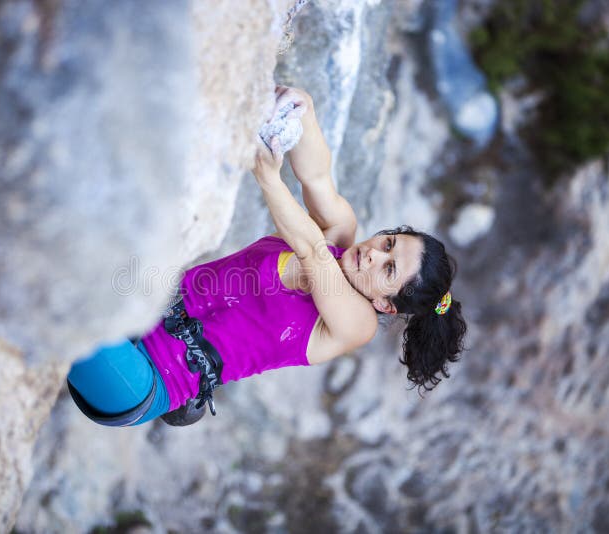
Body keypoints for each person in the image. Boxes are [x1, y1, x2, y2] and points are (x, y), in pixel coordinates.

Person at [67, 86, 467, 427]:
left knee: (64, 310)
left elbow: (312, 252)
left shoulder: (357, 324)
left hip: (148, 380)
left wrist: (266, 176)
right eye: (389, 243)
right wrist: (303, 110)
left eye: (389, 269)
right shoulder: (341, 231)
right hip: (142, 311)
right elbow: (316, 177)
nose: (374, 254)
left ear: (385, 303)